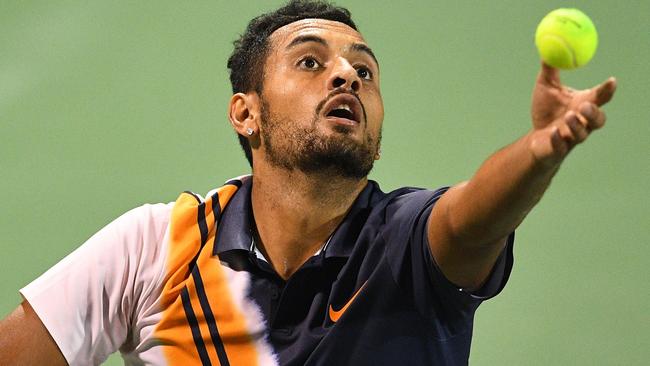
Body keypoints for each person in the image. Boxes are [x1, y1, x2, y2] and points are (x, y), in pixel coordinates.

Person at [0, 1, 616, 365]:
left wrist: (539, 152)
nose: (347, 76)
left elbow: (473, 217)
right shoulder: (155, 247)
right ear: (247, 112)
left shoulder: (405, 243)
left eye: (364, 71)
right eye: (311, 62)